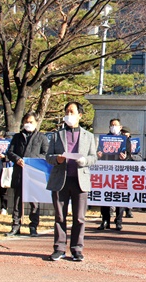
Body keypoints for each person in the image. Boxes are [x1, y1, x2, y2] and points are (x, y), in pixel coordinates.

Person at [46, 101, 97, 262]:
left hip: (80, 181)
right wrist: (58, 159)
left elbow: (93, 157)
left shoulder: (88, 136)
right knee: (60, 217)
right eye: (67, 112)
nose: (68, 115)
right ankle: (59, 248)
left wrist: (84, 161)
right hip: (61, 180)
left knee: (79, 218)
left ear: (80, 115)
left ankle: (76, 249)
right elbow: (48, 157)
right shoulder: (56, 135)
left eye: (72, 112)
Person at [6, 111, 49, 237]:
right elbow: (10, 152)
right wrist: (17, 159)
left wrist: (33, 160)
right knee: (17, 201)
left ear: (36, 123)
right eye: (26, 122)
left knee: (34, 202)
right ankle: (15, 226)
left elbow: (45, 154)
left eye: (31, 122)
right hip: (19, 173)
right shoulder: (17, 137)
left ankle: (33, 226)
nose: (28, 124)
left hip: (34, 174)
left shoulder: (42, 137)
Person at [97, 118, 127, 231]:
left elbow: (129, 155)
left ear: (120, 127)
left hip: (120, 172)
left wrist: (125, 157)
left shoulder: (125, 139)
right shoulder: (104, 139)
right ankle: (105, 220)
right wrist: (99, 155)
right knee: (105, 196)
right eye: (112, 125)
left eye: (116, 125)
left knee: (119, 197)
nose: (113, 127)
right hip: (107, 171)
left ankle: (118, 221)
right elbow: (99, 152)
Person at [121, 126, 140, 218]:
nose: (124, 134)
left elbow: (140, 157)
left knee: (129, 191)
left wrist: (131, 156)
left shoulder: (135, 143)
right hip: (120, 170)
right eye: (122, 133)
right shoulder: (118, 142)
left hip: (131, 169)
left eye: (126, 133)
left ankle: (129, 209)